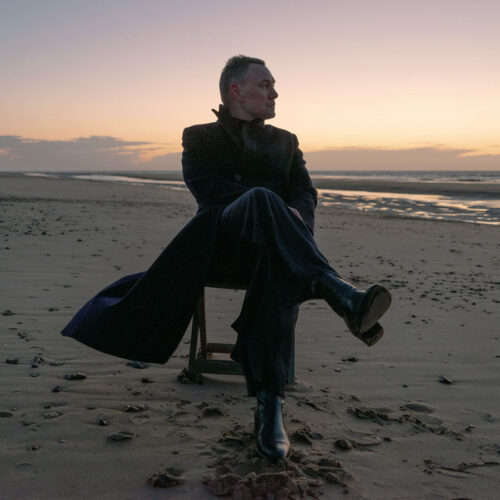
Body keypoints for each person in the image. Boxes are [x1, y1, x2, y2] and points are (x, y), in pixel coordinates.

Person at [62, 55, 391, 462]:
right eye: (265, 85)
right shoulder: (199, 137)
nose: (275, 93)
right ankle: (338, 293)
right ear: (236, 91)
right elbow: (208, 190)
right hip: (220, 246)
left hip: (278, 252)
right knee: (262, 200)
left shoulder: (287, 141)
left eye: (274, 85)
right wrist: (273, 206)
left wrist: (296, 216)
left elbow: (306, 193)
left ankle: (269, 407)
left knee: (276, 260)